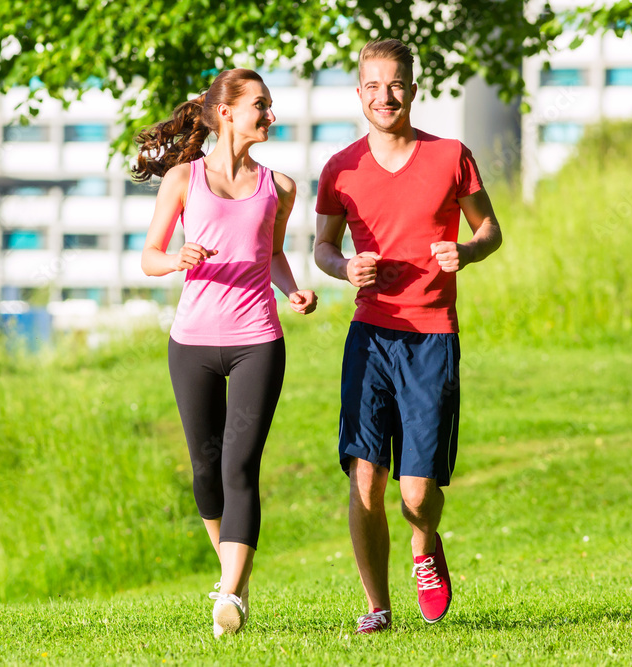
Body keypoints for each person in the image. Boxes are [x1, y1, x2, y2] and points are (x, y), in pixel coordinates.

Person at [313, 39, 503, 634]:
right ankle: (377, 606)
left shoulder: (451, 155)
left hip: (432, 337)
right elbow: (322, 247)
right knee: (364, 475)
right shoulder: (340, 168)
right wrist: (344, 268)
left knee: (417, 493)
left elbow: (491, 229)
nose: (384, 96)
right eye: (372, 85)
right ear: (360, 94)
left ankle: (425, 546)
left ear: (413, 90)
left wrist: (466, 252)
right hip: (369, 335)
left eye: (395, 84)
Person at [136, 68, 317, 638]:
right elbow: (150, 255)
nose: (270, 115)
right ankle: (232, 573)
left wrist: (293, 290)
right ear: (226, 113)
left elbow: (274, 254)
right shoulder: (184, 179)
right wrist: (178, 259)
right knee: (205, 471)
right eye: (260, 106)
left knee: (240, 465)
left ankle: (232, 594)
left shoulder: (280, 187)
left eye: (269, 106)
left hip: (257, 342)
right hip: (191, 344)